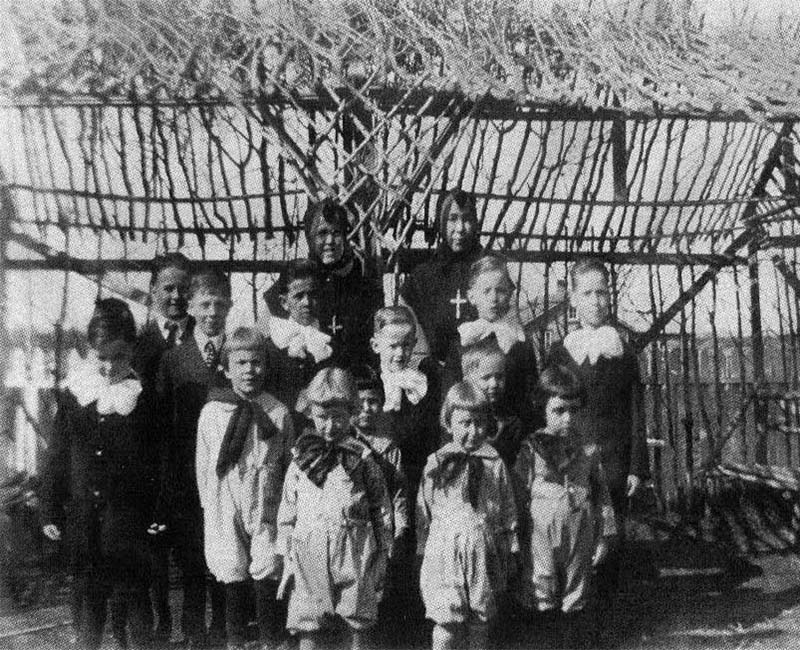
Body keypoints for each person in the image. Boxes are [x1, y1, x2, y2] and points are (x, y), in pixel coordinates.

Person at [41, 298, 156, 650]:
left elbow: (156, 461)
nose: (109, 367)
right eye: (101, 358)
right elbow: (57, 456)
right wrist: (49, 507)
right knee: (88, 599)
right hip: (84, 519)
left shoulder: (143, 398)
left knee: (134, 596)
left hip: (128, 519)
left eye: (118, 358)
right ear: (91, 354)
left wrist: (157, 511)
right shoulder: (76, 396)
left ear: (132, 352)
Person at [546, 258, 649, 639]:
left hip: (614, 462)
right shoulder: (562, 351)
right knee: (572, 538)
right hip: (573, 463)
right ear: (572, 299)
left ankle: (604, 627)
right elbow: (551, 409)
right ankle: (570, 624)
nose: (595, 301)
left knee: (608, 541)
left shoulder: (622, 348)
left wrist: (637, 466)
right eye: (586, 293)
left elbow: (636, 409)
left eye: (602, 292)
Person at [277, 368, 392, 650]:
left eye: (338, 417)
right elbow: (287, 512)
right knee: (309, 622)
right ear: (310, 414)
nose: (329, 426)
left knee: (356, 621)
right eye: (322, 417)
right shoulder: (301, 460)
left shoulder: (363, 460)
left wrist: (382, 552)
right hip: (309, 551)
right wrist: (287, 555)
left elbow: (381, 507)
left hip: (354, 549)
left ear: (351, 413)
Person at [195, 327, 294, 650]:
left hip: (267, 495)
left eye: (256, 362)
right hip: (226, 496)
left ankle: (269, 640)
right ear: (226, 367)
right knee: (231, 566)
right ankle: (235, 641)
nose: (249, 370)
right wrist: (210, 505)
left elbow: (288, 460)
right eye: (240, 363)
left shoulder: (278, 411)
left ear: (266, 365)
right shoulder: (213, 412)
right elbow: (204, 463)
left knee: (267, 564)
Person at [150, 270, 231, 647]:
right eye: (205, 304)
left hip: (230, 473)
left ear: (230, 304)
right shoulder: (174, 360)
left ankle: (224, 632)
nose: (212, 311)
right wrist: (167, 486)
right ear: (192, 309)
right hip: (186, 477)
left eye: (219, 303)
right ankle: (195, 634)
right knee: (193, 558)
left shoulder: (241, 353)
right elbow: (162, 429)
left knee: (228, 555)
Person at [513, 364, 617, 648]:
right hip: (540, 535)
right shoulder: (531, 448)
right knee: (541, 588)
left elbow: (601, 495)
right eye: (559, 411)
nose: (568, 418)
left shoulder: (588, 450)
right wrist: (515, 537)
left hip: (579, 531)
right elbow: (518, 495)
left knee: (576, 591)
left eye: (574, 410)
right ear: (543, 409)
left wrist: (604, 537)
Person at [417, 381, 519, 650]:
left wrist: (510, 545)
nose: (473, 431)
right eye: (465, 423)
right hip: (445, 548)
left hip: (483, 545)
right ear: (448, 423)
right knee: (446, 621)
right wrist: (423, 544)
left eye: (480, 423)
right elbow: (425, 507)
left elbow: (506, 506)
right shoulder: (437, 462)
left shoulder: (494, 463)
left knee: (480, 620)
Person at [132, 251, 193, 642]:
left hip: (190, 458)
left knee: (190, 549)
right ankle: (157, 625)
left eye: (183, 289)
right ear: (153, 291)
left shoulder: (204, 338)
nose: (175, 296)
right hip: (149, 459)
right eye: (167, 288)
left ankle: (192, 629)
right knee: (151, 549)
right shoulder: (139, 343)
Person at [262, 199, 382, 369]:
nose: (330, 240)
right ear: (310, 238)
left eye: (337, 233)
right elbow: (262, 340)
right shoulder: (293, 284)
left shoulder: (366, 290)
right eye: (322, 233)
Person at [350, 365, 410, 646]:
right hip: (351, 523)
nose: (366, 408)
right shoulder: (342, 442)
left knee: (375, 583)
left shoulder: (388, 447)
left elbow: (398, 489)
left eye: (373, 401)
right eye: (359, 402)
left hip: (380, 523)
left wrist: (400, 525)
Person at [442, 253, 538, 424]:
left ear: (509, 294)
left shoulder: (519, 344)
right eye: (486, 291)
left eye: (500, 290)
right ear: (472, 297)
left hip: (510, 433)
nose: (493, 298)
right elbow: (449, 400)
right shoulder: (462, 341)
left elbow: (529, 399)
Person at [400, 189, 483, 364]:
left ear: (475, 223)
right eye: (452, 219)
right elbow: (408, 327)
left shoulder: (488, 269)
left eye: (467, 219)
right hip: (438, 374)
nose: (460, 229)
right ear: (441, 222)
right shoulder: (423, 276)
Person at [369, 306, 440, 506]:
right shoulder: (369, 381)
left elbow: (431, 430)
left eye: (406, 345)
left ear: (415, 344)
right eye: (393, 346)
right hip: (377, 473)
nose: (400, 353)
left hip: (415, 473)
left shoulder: (422, 383)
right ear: (376, 345)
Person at [264, 260, 333, 416]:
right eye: (299, 296)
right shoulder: (272, 346)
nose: (307, 302)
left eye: (313, 295)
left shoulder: (330, 343)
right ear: (284, 302)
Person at [460, 336, 526, 468]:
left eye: (500, 377)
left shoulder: (510, 423)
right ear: (467, 380)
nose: (494, 383)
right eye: (486, 378)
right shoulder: (461, 418)